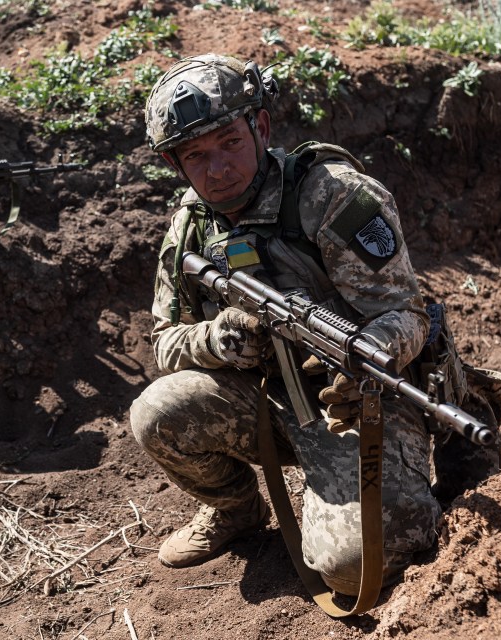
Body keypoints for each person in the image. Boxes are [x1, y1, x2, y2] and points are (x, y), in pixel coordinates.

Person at [129, 54, 443, 596]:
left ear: (261, 127)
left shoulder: (334, 196)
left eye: (230, 142)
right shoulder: (189, 228)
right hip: (270, 399)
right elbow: (164, 345)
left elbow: (407, 312)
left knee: (350, 569)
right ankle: (236, 511)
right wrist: (220, 338)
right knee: (155, 412)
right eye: (195, 155)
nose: (218, 168)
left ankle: (426, 484)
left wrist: (368, 355)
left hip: (361, 403)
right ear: (175, 164)